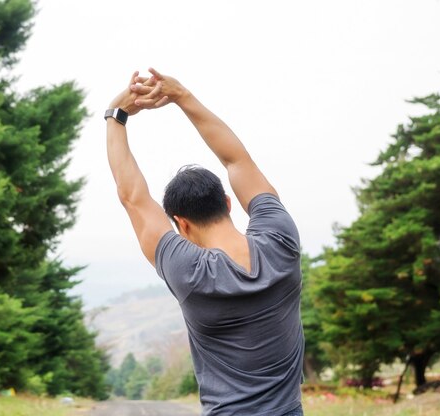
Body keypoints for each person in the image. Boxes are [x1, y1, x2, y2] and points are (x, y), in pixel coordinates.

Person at [105, 68, 304, 416]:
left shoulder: (189, 272)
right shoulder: (281, 241)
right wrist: (181, 95)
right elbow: (237, 160)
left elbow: (133, 197)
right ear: (228, 203)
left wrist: (116, 116)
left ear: (181, 224)